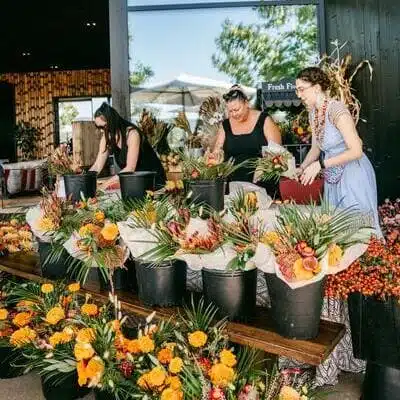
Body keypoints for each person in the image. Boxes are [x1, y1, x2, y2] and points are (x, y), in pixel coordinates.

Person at [296, 66, 382, 235]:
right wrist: (303, 166)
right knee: (337, 232)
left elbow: (356, 150)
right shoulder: (313, 113)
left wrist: (320, 164)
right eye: (297, 90)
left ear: (317, 88)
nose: (299, 95)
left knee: (359, 232)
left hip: (353, 174)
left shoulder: (337, 110)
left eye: (301, 89)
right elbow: (316, 147)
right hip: (332, 176)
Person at [213, 85, 281, 189]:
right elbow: (218, 149)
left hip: (261, 181)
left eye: (237, 109)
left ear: (246, 103)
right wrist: (217, 154)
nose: (234, 114)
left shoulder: (264, 120)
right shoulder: (225, 125)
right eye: (230, 111)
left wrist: (264, 165)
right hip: (232, 184)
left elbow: (277, 151)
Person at [90, 102, 165, 189]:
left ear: (113, 121)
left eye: (104, 127)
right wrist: (85, 180)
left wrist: (105, 184)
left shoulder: (132, 134)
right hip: (135, 183)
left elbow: (130, 168)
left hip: (153, 182)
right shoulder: (107, 136)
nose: (101, 131)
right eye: (98, 127)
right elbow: (97, 165)